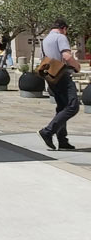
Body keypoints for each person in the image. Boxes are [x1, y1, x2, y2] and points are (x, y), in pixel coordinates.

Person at [38, 19, 80, 151]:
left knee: (62, 107)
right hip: (63, 75)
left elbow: (43, 59)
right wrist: (77, 66)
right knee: (73, 106)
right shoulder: (61, 37)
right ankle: (48, 131)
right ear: (64, 28)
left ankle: (62, 140)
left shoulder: (45, 40)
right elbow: (66, 56)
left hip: (51, 77)